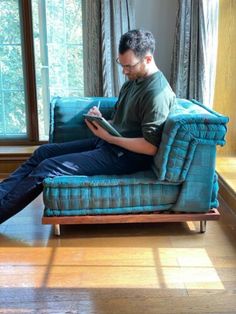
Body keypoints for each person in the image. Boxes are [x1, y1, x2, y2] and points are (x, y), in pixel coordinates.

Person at [0, 29, 176, 224]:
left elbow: (151, 147)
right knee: (43, 152)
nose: (124, 71)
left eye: (129, 66)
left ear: (148, 59)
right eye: (121, 64)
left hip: (127, 157)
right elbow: (122, 123)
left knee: (48, 168)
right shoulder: (132, 82)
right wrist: (100, 120)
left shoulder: (156, 93)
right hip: (109, 145)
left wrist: (110, 138)